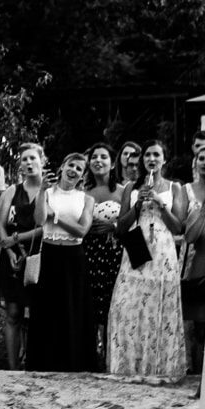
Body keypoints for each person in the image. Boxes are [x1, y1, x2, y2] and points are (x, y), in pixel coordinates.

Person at [108, 140, 189, 377]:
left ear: (164, 159)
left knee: (158, 306)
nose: (151, 160)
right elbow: (121, 227)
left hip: (163, 248)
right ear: (142, 160)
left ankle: (159, 367)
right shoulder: (131, 188)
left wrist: (159, 203)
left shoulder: (175, 188)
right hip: (136, 246)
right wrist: (138, 205)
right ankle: (128, 366)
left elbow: (178, 227)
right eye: (147, 156)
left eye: (156, 155)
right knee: (128, 305)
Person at [29, 152, 94, 372]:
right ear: (62, 166)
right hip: (49, 254)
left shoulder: (86, 199)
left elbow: (82, 230)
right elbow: (39, 220)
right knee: (46, 311)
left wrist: (55, 216)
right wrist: (40, 193)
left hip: (73, 257)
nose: (73, 170)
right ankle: (45, 362)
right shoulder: (46, 193)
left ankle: (72, 363)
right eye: (71, 165)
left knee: (71, 310)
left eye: (79, 168)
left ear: (82, 175)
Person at [0, 144, 47, 369]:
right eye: (23, 159)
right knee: (13, 312)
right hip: (12, 257)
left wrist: (17, 239)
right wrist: (8, 249)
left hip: (39, 255)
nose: (28, 163)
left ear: (42, 161)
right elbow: (1, 224)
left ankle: (36, 363)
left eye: (32, 158)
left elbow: (46, 227)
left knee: (37, 313)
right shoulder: (11, 191)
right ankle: (13, 366)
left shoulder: (50, 191)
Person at [83, 143, 129, 365]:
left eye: (103, 157)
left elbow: (132, 222)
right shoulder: (81, 192)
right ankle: (90, 356)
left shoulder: (122, 191)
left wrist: (114, 227)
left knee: (113, 305)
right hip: (88, 251)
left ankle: (112, 357)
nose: (98, 160)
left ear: (112, 163)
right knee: (90, 305)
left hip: (114, 252)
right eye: (94, 157)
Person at [179, 144, 205, 373]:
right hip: (195, 266)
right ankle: (194, 372)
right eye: (201, 158)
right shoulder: (189, 194)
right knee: (194, 325)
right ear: (195, 163)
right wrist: (203, 211)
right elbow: (189, 235)